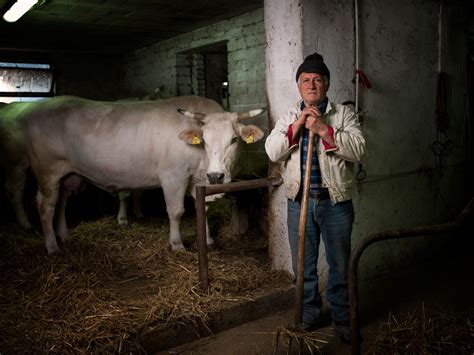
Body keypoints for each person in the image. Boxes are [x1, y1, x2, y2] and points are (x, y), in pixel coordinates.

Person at [265, 53, 366, 343]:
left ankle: (343, 317)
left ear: (327, 85)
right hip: (300, 202)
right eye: (306, 80)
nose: (311, 85)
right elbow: (273, 152)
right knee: (303, 266)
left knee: (340, 264)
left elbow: (360, 151)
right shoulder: (288, 116)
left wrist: (323, 128)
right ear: (299, 86)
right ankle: (308, 314)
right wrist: (298, 124)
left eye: (317, 80)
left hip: (335, 203)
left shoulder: (343, 115)